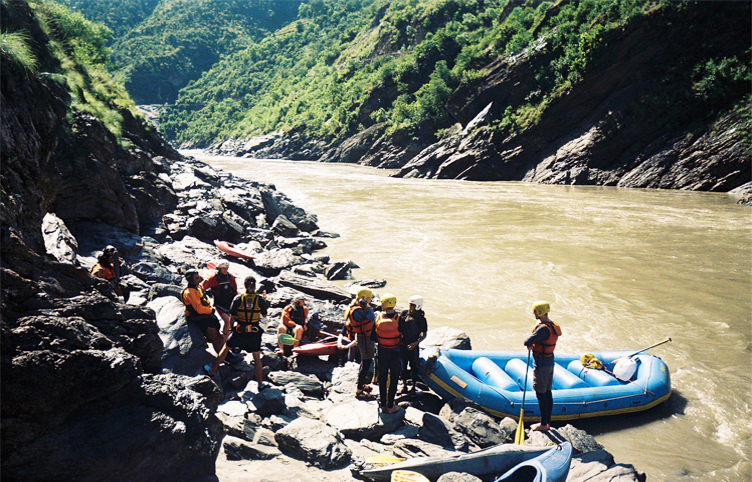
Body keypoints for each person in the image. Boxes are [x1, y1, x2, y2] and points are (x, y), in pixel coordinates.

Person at [206, 276, 270, 389]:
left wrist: (230, 329)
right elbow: (264, 315)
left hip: (240, 331)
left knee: (225, 348)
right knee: (257, 357)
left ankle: (212, 370)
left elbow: (232, 316)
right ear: (255, 286)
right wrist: (264, 300)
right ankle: (260, 384)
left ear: (245, 286)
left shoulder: (238, 298)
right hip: (254, 333)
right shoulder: (260, 299)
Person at [523, 301, 562, 432]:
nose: (534, 314)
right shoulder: (551, 325)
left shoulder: (542, 329)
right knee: (547, 393)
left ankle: (543, 425)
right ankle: (546, 422)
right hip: (549, 363)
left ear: (539, 312)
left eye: (535, 312)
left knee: (541, 394)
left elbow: (527, 341)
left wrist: (530, 344)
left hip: (542, 366)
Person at [181, 269, 226, 354]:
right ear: (191, 280)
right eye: (197, 278)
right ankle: (223, 357)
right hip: (201, 318)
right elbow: (199, 309)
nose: (199, 279)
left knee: (219, 336)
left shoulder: (196, 288)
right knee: (215, 339)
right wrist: (211, 310)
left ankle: (225, 354)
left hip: (206, 315)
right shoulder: (190, 292)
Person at [372, 293, 402, 413]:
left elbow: (373, 337)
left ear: (383, 304)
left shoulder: (378, 318)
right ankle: (391, 406)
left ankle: (383, 405)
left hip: (382, 351)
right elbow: (404, 336)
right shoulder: (399, 319)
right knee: (394, 378)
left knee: (383, 378)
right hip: (395, 351)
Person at [344, 288, 376, 399]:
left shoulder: (359, 308)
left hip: (366, 338)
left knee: (365, 363)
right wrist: (367, 306)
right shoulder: (357, 310)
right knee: (366, 363)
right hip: (364, 339)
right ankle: (359, 391)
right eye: (369, 298)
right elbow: (371, 317)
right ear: (364, 299)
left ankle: (362, 384)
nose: (370, 300)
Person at [201, 260, 238, 339]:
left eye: (226, 268)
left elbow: (235, 291)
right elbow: (202, 287)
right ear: (219, 268)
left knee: (233, 321)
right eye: (223, 268)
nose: (225, 270)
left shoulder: (231, 277)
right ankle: (225, 341)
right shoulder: (213, 278)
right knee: (227, 321)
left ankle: (228, 337)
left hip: (230, 303)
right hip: (219, 304)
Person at [399, 295, 428, 394]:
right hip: (403, 344)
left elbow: (424, 335)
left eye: (412, 305)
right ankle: (404, 386)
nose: (410, 307)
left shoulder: (421, 319)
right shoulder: (404, 314)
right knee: (403, 365)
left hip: (414, 345)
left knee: (414, 366)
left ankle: (413, 387)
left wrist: (415, 343)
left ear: (418, 306)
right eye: (410, 305)